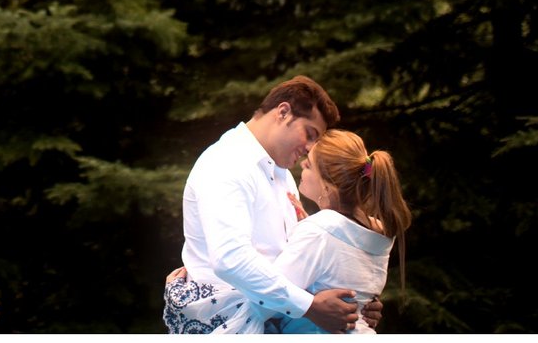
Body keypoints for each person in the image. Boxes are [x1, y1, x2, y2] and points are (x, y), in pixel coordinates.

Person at [163, 76, 381, 334]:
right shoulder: (226, 163)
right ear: (283, 112)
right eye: (309, 134)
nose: (310, 148)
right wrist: (310, 306)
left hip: (275, 321)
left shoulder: (282, 175)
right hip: (230, 326)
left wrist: (356, 300)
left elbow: (303, 254)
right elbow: (230, 259)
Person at [270, 129, 412, 334]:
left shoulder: (320, 231)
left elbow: (269, 296)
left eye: (309, 164)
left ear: (328, 187)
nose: (302, 164)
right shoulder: (378, 231)